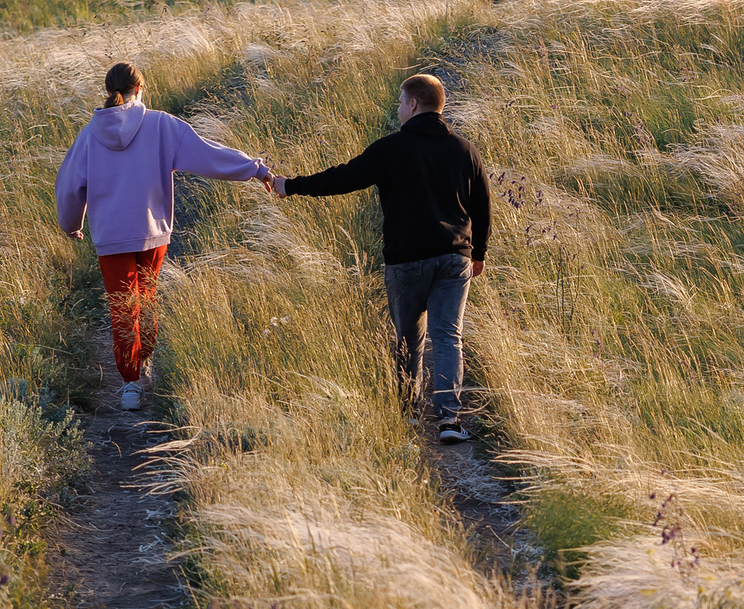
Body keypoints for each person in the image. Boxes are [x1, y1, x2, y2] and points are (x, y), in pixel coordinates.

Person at [268, 73, 490, 444]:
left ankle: (408, 415)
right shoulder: (465, 150)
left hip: (406, 260)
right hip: (455, 258)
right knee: (448, 336)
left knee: (407, 338)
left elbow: (344, 178)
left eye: (401, 103)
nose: (399, 109)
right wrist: (478, 253)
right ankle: (449, 420)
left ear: (414, 105)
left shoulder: (392, 148)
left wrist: (290, 185)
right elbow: (482, 206)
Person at [55, 61, 278, 412]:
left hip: (111, 235)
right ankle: (144, 364)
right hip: (152, 233)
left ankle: (130, 383)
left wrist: (72, 224)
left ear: (109, 90)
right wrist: (254, 168)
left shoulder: (88, 134)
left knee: (122, 306)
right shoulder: (161, 124)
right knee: (146, 297)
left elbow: (70, 185)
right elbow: (209, 154)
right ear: (140, 89)